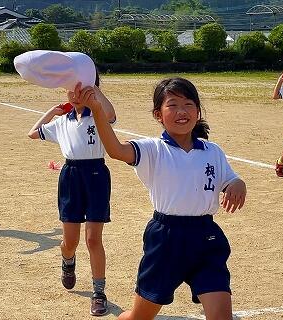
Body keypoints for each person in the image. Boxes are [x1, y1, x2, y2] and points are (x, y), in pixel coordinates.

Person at [69, 77, 247, 320]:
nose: (181, 111)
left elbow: (230, 179)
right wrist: (97, 110)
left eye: (188, 104)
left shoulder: (212, 151)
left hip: (207, 237)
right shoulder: (153, 149)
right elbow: (116, 150)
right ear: (158, 114)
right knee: (138, 318)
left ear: (197, 111)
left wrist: (239, 184)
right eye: (172, 105)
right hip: (166, 239)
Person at [28, 72, 116, 317]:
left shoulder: (98, 113)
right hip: (70, 177)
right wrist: (51, 113)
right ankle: (67, 261)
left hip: (97, 175)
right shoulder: (62, 121)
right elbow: (33, 133)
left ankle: (99, 292)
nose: (76, 96)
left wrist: (94, 89)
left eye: (81, 90)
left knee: (93, 240)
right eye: (71, 91)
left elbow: (110, 114)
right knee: (71, 242)